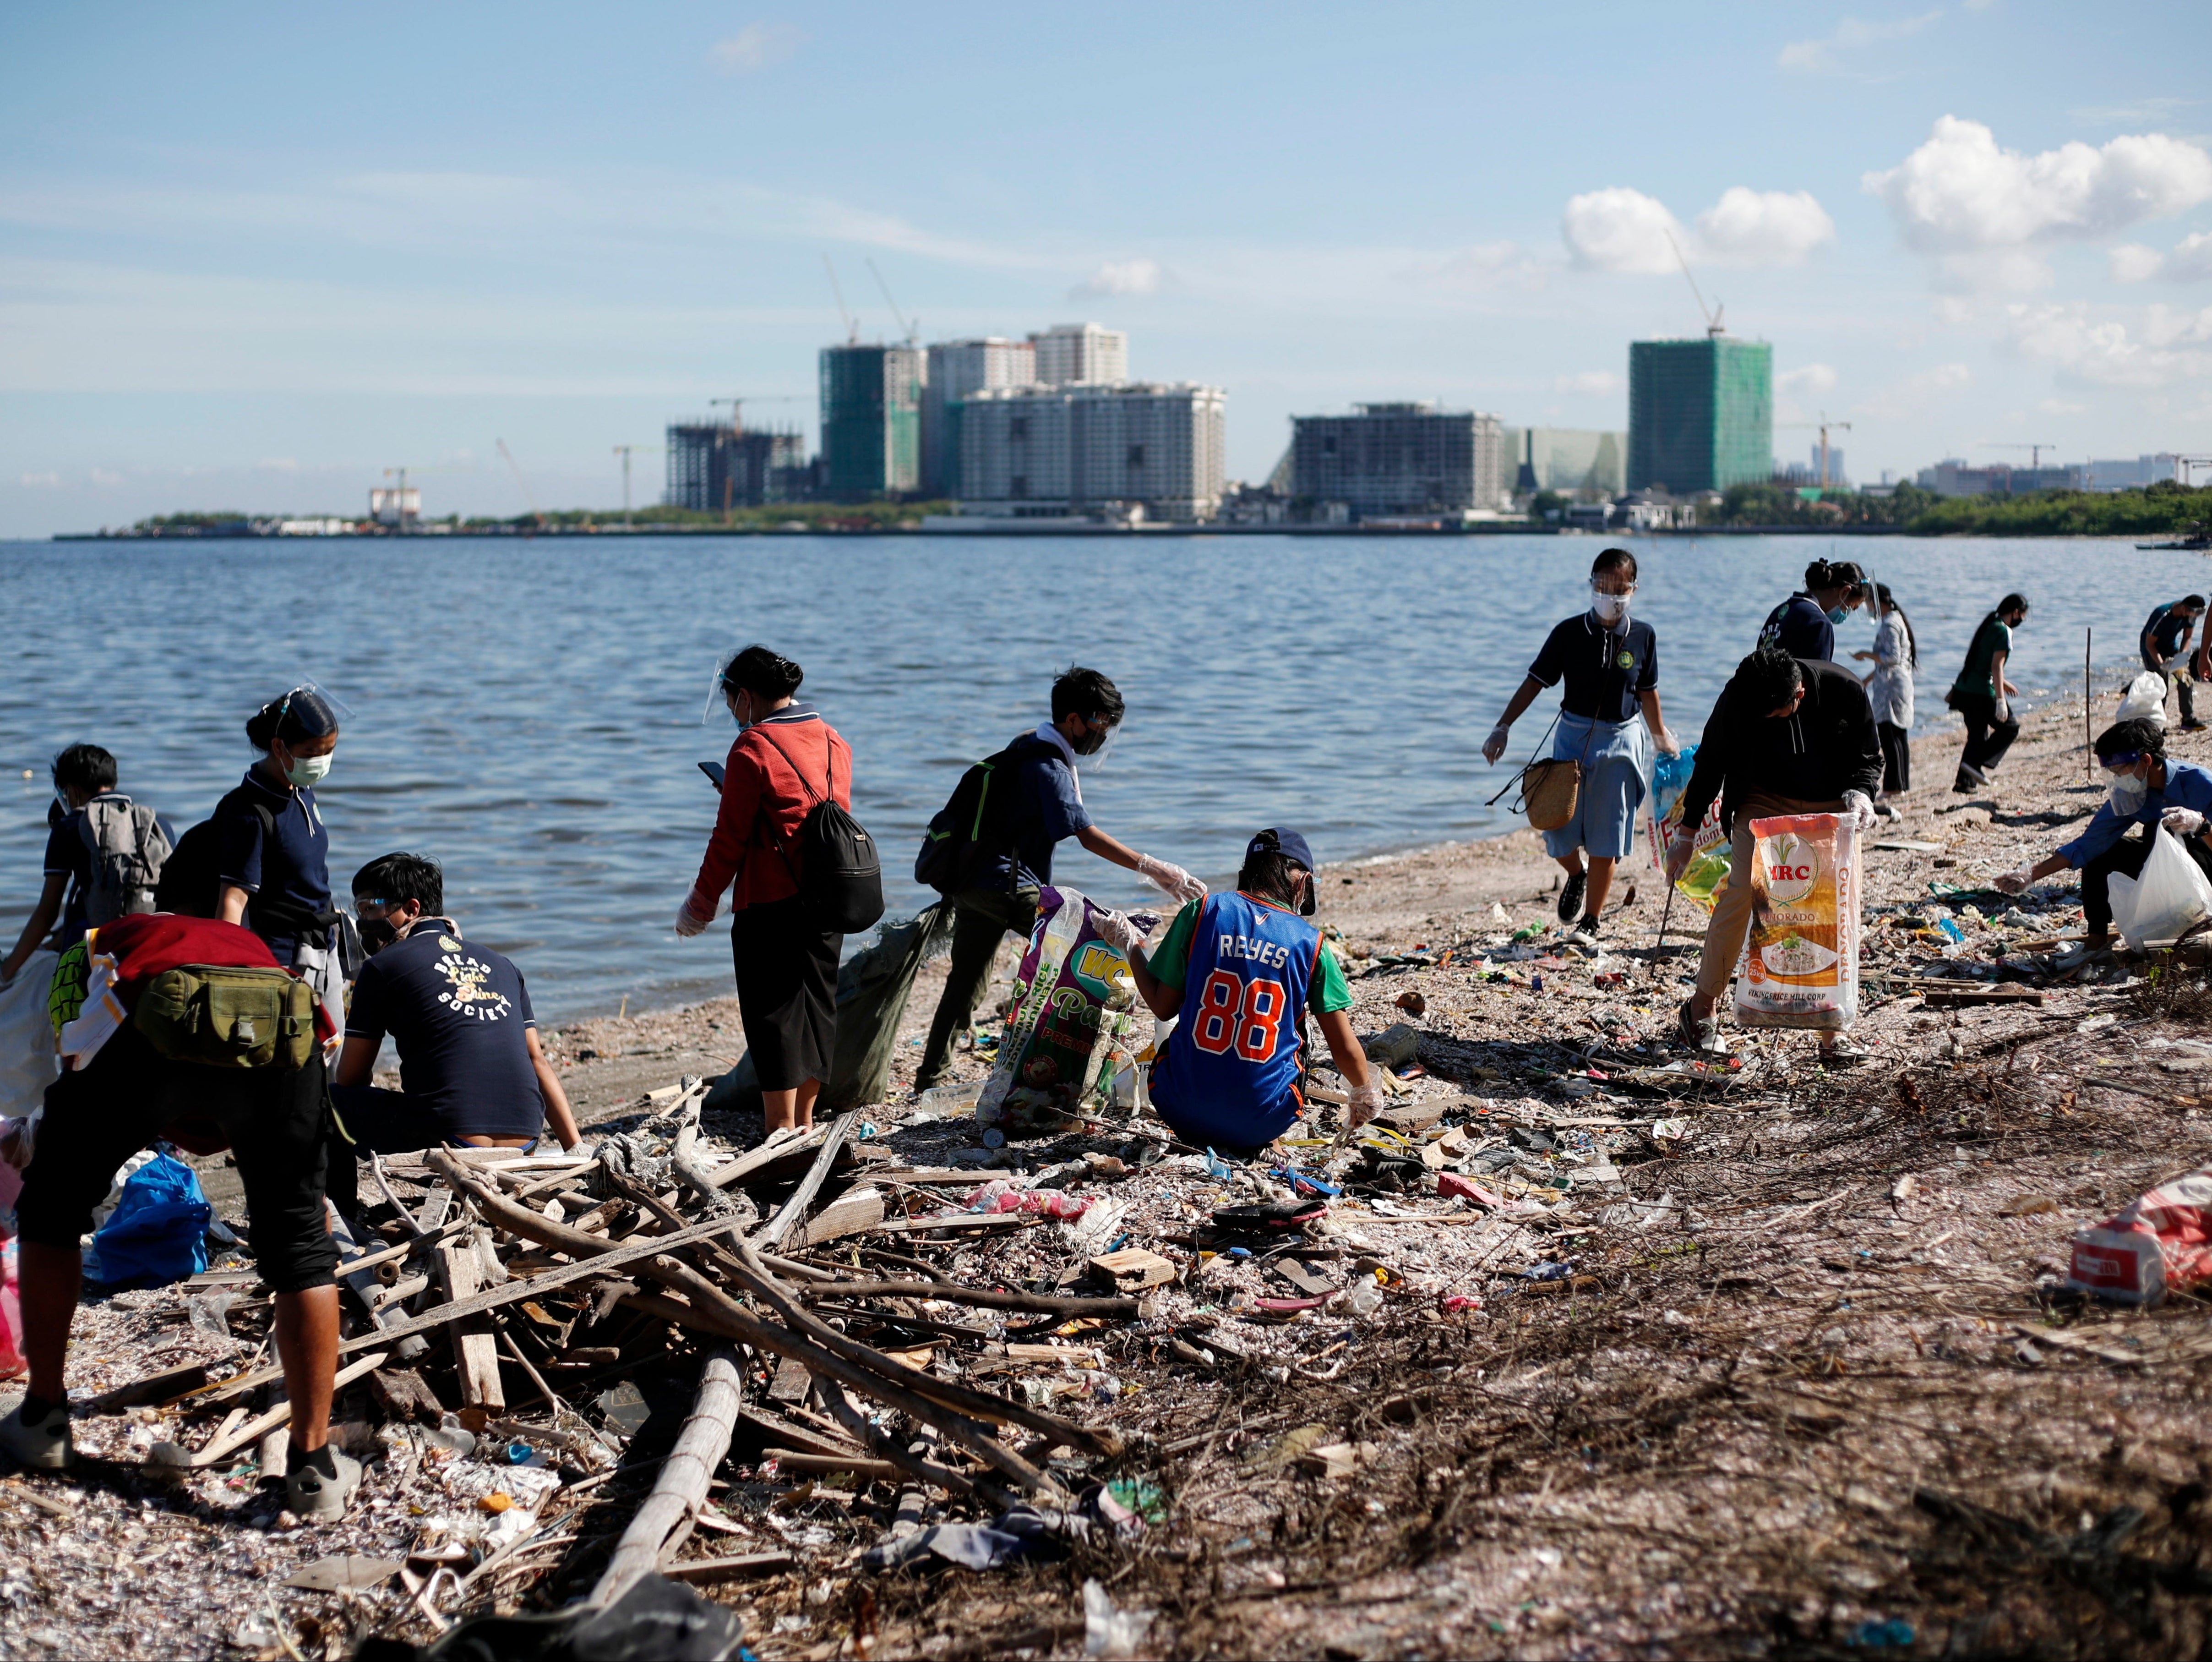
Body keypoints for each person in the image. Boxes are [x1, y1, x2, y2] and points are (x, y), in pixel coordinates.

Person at [0, 912, 354, 1519]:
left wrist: (142, 1121)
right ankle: (314, 1468)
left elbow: (75, 1045)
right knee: (301, 1247)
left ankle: (45, 1418)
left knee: (52, 1210)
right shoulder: (252, 950)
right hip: (282, 1031)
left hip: (147, 1023)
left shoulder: (97, 946)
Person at [912, 667, 1205, 1093]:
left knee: (964, 986)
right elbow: (1086, 836)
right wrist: (1157, 869)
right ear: (1073, 719)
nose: (1102, 735)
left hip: (971, 884)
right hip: (1003, 885)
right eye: (1099, 723)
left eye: (1109, 726)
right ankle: (1070, 1064)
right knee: (1090, 946)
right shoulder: (1047, 767)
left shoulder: (1026, 744)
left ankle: (929, 1080)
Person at [1665, 646, 1883, 1060]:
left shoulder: (1845, 690)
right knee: (1746, 895)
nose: (1764, 721)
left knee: (1834, 905)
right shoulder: (1741, 697)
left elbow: (1869, 757)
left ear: (1797, 696)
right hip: (1762, 800)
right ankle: (1701, 1011)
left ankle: (1832, 1028)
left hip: (1830, 805)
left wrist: (1863, 795)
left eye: (1774, 715)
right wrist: (1686, 835)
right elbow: (1710, 761)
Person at [1106, 828, 1380, 1155]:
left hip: (1178, 1109)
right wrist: (1364, 1093)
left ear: (1245, 874)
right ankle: (1268, 1136)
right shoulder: (1312, 945)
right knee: (1297, 1022)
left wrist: (1132, 944)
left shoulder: (1202, 911)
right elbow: (1345, 1049)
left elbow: (1163, 1008)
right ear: (1302, 884)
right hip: (1264, 1121)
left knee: (1176, 1031)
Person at [675, 647, 853, 1134]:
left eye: (732, 703)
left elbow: (728, 840)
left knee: (773, 1018)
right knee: (817, 1008)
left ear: (747, 697)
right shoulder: (834, 739)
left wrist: (700, 904)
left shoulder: (751, 748)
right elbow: (811, 816)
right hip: (829, 898)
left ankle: (779, 1130)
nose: (733, 713)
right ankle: (805, 1122)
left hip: (772, 903)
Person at [1482, 547, 1676, 946]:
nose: (1610, 594)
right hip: (1571, 739)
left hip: (1622, 742)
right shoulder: (1568, 633)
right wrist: (1503, 727)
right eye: (1603, 586)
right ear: (1591, 585)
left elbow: (1648, 692)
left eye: (1619, 588)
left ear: (1634, 590)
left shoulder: (1644, 636)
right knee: (1556, 829)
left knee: (1608, 835)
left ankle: (1591, 920)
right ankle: (1575, 873)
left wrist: (1661, 738)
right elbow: (1535, 681)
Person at [334, 852, 582, 1154]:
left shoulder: (383, 967)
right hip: (525, 1139)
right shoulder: (503, 965)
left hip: (450, 1140)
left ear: (412, 908)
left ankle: (334, 1203)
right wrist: (576, 1149)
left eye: (368, 908)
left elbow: (350, 1078)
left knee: (327, 1103)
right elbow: (537, 1061)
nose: (362, 922)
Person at [1994, 718, 2212, 951]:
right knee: (2104, 853)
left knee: (2172, 836)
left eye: (2120, 771)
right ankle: (2096, 939)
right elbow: (2091, 843)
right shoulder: (2132, 794)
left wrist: (2201, 826)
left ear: (2146, 761)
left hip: (2204, 866)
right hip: (2161, 868)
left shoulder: (2200, 783)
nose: (2118, 779)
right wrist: (2030, 875)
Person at [216, 686, 349, 1031]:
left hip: (324, 946)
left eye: (329, 751)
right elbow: (233, 899)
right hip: (282, 959)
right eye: (311, 752)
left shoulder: (301, 789)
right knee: (294, 1064)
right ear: (279, 748)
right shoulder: (249, 811)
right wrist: (227, 976)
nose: (321, 761)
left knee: (335, 1058)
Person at [0, 744, 170, 986]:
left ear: (72, 790)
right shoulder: (156, 824)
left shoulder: (71, 825)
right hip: (149, 951)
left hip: (92, 963)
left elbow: (47, 912)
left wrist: (6, 972)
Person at [1947, 595, 2027, 793]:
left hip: (1965, 689)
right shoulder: (2003, 631)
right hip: (1981, 692)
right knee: (2010, 728)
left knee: (1977, 735)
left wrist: (2004, 684)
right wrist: (2000, 699)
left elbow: (1981, 662)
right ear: (2016, 612)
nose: (2022, 620)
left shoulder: (1990, 625)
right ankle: (1976, 763)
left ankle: (1964, 783)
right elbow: (1996, 666)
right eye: (2023, 616)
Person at [1851, 583, 1918, 814]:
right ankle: (1902, 783)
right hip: (1897, 683)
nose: (1868, 607)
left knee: (1889, 735)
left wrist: (1865, 654)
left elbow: (1892, 657)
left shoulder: (1890, 623)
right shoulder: (1896, 620)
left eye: (1869, 602)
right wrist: (1868, 678)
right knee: (1899, 734)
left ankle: (1892, 786)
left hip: (1891, 687)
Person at [1757, 558, 1866, 662]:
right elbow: (1816, 679)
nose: (1846, 614)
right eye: (1851, 608)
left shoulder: (1781, 611)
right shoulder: (1819, 623)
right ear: (1844, 592)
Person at [2139, 594, 2209, 733]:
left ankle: (2188, 719)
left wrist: (2181, 657)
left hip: (2171, 649)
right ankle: (2158, 723)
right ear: (2183, 608)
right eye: (2193, 613)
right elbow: (2150, 644)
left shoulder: (2190, 616)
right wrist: (2161, 664)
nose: (2194, 617)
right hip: (2152, 652)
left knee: (2186, 680)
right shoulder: (2162, 615)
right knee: (2161, 685)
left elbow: (2187, 637)